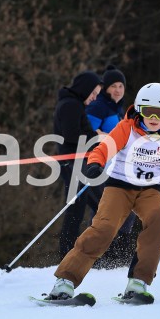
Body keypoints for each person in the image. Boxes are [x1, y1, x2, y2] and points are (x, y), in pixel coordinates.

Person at [44, 82, 160, 302]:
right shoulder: (127, 128)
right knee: (105, 228)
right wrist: (95, 163)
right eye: (148, 111)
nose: (154, 117)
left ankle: (138, 282)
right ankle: (65, 282)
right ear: (139, 110)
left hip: (149, 190)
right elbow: (104, 147)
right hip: (119, 187)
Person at [86, 66, 136, 267]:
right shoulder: (99, 107)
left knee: (126, 207)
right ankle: (98, 255)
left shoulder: (117, 109)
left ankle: (116, 253)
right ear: (105, 88)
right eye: (113, 86)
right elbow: (87, 129)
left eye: (121, 86)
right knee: (107, 209)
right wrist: (106, 137)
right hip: (100, 166)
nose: (117, 90)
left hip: (117, 166)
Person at [54, 70, 103, 259]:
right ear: (85, 89)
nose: (94, 98)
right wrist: (97, 136)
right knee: (76, 207)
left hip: (80, 162)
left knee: (97, 205)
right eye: (93, 94)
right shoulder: (70, 106)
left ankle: (94, 251)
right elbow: (72, 135)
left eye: (97, 95)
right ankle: (66, 255)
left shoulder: (75, 105)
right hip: (71, 163)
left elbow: (86, 133)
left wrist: (100, 141)